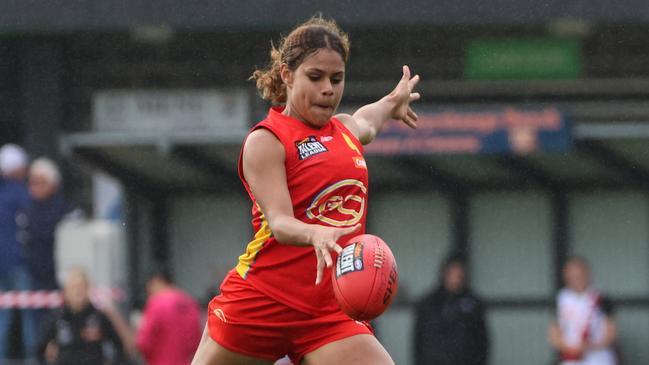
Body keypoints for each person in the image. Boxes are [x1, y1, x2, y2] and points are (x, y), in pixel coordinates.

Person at [192, 16, 420, 365]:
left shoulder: (344, 131)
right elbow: (280, 223)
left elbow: (368, 120)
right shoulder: (267, 140)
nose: (328, 88)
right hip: (261, 301)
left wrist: (393, 101)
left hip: (327, 311)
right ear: (286, 74)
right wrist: (314, 233)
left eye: (336, 79)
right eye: (315, 77)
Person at [36, 267, 126, 365]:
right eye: (74, 288)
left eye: (81, 287)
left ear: (87, 289)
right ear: (66, 291)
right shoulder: (57, 317)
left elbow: (118, 346)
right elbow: (39, 350)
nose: (78, 292)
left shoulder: (98, 317)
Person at [413, 255, 489, 365]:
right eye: (452, 274)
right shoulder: (429, 304)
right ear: (444, 274)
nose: (455, 280)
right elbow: (419, 342)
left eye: (459, 275)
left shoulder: (473, 305)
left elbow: (482, 342)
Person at [548, 257, 619, 365]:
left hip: (598, 358)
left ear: (587, 273)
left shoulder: (600, 298)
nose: (576, 278)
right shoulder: (561, 299)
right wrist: (570, 348)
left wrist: (591, 346)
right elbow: (554, 333)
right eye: (572, 275)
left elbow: (611, 332)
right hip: (571, 359)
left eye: (580, 275)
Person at [0, 143, 35, 359]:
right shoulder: (22, 193)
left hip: (2, 263)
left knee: (3, 316)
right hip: (19, 262)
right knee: (29, 312)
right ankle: (33, 359)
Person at [136, 265, 202, 365]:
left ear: (156, 280)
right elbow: (196, 342)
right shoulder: (190, 302)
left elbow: (143, 343)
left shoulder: (156, 303)